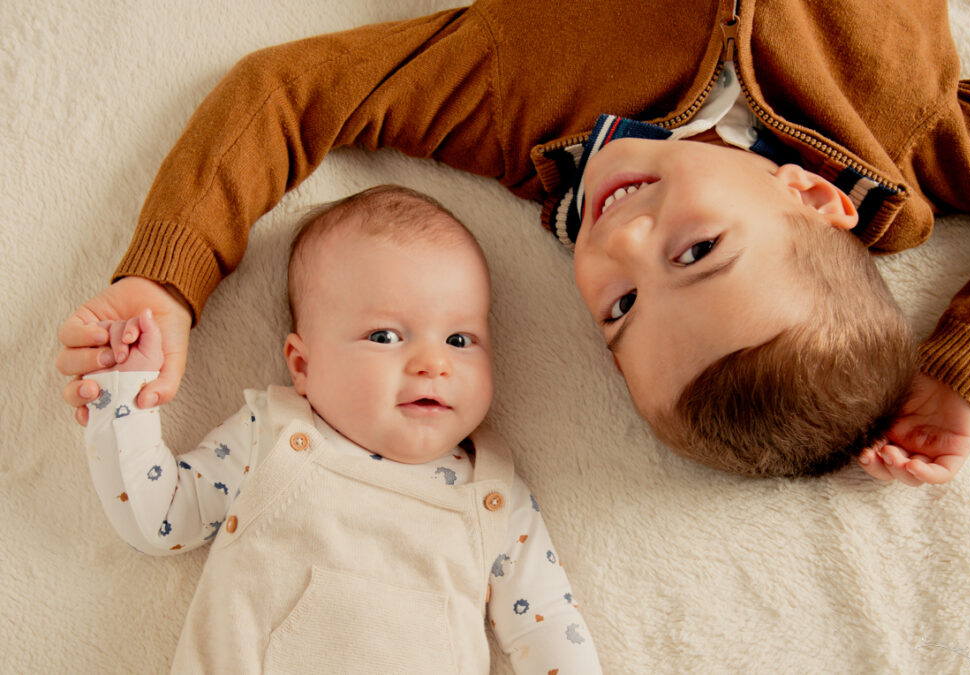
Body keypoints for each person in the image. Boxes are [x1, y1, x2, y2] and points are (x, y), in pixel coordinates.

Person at [58, 0, 970, 485]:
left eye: (618, 309)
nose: (622, 237)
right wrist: (963, 371)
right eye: (696, 253)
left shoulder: (508, 107)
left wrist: (167, 278)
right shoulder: (897, 130)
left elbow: (286, 93)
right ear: (813, 193)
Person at [81, 185, 603, 673]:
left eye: (460, 340)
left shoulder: (494, 496)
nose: (433, 363)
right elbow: (159, 518)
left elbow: (550, 627)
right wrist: (123, 392)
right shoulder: (273, 439)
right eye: (385, 335)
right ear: (303, 366)